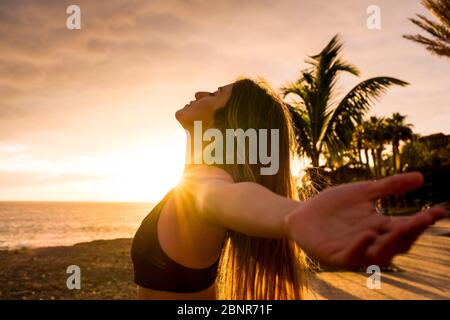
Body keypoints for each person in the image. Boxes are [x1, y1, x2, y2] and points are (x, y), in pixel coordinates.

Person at [131, 78, 447, 300]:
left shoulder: (205, 181)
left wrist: (293, 215)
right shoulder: (199, 177)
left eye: (214, 93)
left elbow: (224, 198)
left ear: (230, 123)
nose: (200, 92)